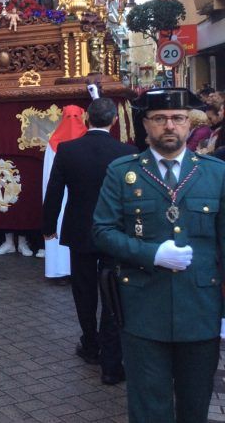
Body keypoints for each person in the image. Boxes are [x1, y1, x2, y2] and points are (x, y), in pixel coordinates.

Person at [92, 88, 225, 423]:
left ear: (189, 124)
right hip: (143, 311)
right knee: (149, 408)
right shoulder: (122, 173)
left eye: (177, 118)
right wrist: (152, 254)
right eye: (159, 118)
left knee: (195, 406)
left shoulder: (215, 173)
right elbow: (102, 231)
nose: (169, 126)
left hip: (200, 310)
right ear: (145, 124)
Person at [42, 99, 137, 385]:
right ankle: (111, 360)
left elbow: (54, 191)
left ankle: (90, 343)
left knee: (84, 290)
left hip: (79, 229)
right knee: (113, 291)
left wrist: (48, 227)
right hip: (114, 232)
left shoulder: (68, 150)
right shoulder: (126, 152)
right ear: (113, 120)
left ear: (87, 119)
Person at [41, 104, 89, 274]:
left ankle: (66, 270)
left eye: (75, 117)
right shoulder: (54, 144)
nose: (72, 122)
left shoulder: (56, 143)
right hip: (71, 195)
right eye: (69, 117)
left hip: (70, 194)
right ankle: (60, 270)